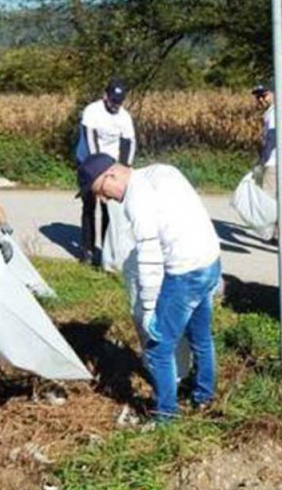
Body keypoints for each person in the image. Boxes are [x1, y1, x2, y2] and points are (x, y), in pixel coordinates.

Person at [76, 153, 221, 420]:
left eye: (101, 191)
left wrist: (150, 306)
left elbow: (150, 253)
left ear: (111, 175)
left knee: (157, 350)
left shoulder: (136, 198)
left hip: (186, 272)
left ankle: (166, 416)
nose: (104, 199)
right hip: (210, 261)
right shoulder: (160, 171)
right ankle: (204, 396)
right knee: (200, 336)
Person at [74, 78, 137, 264]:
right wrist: (97, 172)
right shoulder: (92, 111)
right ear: (105, 96)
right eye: (112, 101)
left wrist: (124, 169)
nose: (115, 106)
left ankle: (107, 252)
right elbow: (91, 141)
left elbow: (129, 144)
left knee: (109, 208)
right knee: (89, 206)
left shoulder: (124, 117)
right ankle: (87, 250)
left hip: (112, 164)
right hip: (88, 161)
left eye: (119, 103)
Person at [251, 84, 282, 256]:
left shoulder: (273, 114)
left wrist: (262, 161)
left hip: (275, 162)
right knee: (277, 200)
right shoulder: (281, 112)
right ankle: (276, 234)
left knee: (267, 201)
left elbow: (272, 139)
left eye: (263, 95)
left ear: (272, 94)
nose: (260, 99)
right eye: (258, 96)